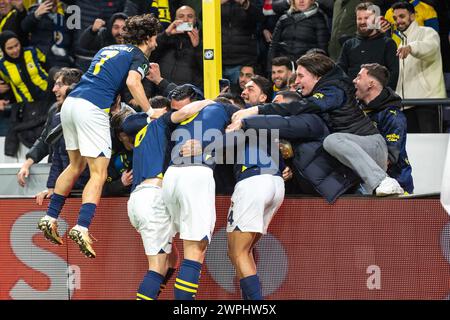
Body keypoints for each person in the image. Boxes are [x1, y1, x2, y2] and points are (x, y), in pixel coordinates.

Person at [37, 14, 164, 259]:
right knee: (99, 172)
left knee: (75, 166)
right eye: (155, 38)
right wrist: (149, 111)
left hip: (71, 104)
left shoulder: (109, 48)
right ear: (147, 38)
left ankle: (50, 217)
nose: (156, 43)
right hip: (92, 108)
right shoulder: (139, 56)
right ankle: (82, 226)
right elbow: (132, 82)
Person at [232, 52, 404, 196]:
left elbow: (302, 106)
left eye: (301, 76)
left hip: (373, 147)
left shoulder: (334, 90)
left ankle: (383, 180)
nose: (297, 81)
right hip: (358, 158)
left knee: (332, 141)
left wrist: (256, 111)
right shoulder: (325, 89)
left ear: (317, 76)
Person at [121, 97, 214, 300]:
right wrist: (212, 101)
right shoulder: (161, 122)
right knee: (157, 267)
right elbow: (182, 114)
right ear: (162, 110)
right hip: (153, 198)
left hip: (138, 200)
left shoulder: (142, 130)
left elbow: (126, 122)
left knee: (173, 260)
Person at [162, 85, 238, 300]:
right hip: (195, 174)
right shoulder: (227, 108)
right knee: (195, 250)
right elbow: (240, 133)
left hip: (170, 176)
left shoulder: (189, 113)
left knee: (181, 245)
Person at [17, 67, 82, 188]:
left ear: (73, 87)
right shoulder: (55, 109)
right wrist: (27, 163)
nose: (54, 89)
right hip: (58, 175)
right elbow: (45, 140)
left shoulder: (87, 112)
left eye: (59, 85)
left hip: (81, 178)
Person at [354, 63, 413, 194]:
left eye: (359, 77)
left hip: (396, 186)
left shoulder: (393, 116)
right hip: (364, 185)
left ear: (370, 84)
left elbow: (388, 158)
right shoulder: (356, 109)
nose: (354, 80)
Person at [391, 1, 446, 133]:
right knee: (413, 147)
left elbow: (430, 48)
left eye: (402, 16)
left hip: (427, 101)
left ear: (413, 16)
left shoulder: (428, 32)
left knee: (432, 145)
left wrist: (411, 48)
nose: (398, 21)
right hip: (406, 104)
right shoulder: (401, 42)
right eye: (395, 18)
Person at [338, 2, 399, 90]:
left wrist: (383, 95)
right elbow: (340, 72)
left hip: (379, 99)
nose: (362, 22)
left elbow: (394, 74)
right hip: (352, 98)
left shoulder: (388, 44)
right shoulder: (348, 44)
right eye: (359, 18)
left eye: (366, 18)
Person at [151, 5, 202, 89]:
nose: (185, 20)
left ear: (195, 20)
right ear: (175, 20)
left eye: (190, 16)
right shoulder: (166, 38)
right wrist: (166, 34)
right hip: (162, 90)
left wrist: (197, 46)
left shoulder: (204, 39)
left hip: (188, 94)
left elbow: (206, 69)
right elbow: (150, 53)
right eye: (181, 16)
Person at [268, 0, 329, 65]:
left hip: (307, 66)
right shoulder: (284, 19)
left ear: (312, 1)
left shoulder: (319, 19)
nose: (301, 1)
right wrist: (270, 69)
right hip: (284, 66)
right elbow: (273, 46)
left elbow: (322, 49)